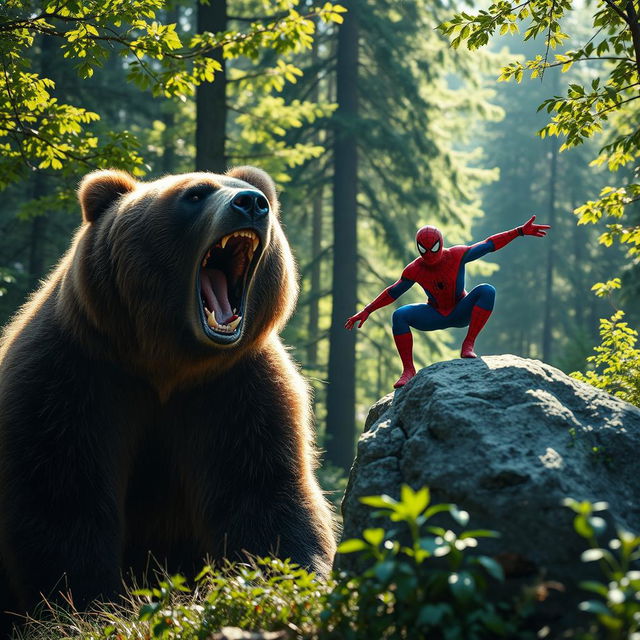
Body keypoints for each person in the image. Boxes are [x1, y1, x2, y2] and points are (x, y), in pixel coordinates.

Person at [345, 216, 550, 388]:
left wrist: (519, 231)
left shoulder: (456, 255)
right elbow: (393, 292)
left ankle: (468, 344)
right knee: (399, 316)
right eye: (423, 250)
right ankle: (408, 369)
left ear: (441, 244)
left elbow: (488, 245)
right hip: (434, 314)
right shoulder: (414, 269)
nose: (429, 254)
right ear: (418, 248)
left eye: (433, 248)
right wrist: (367, 310)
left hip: (461, 311)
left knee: (487, 290)